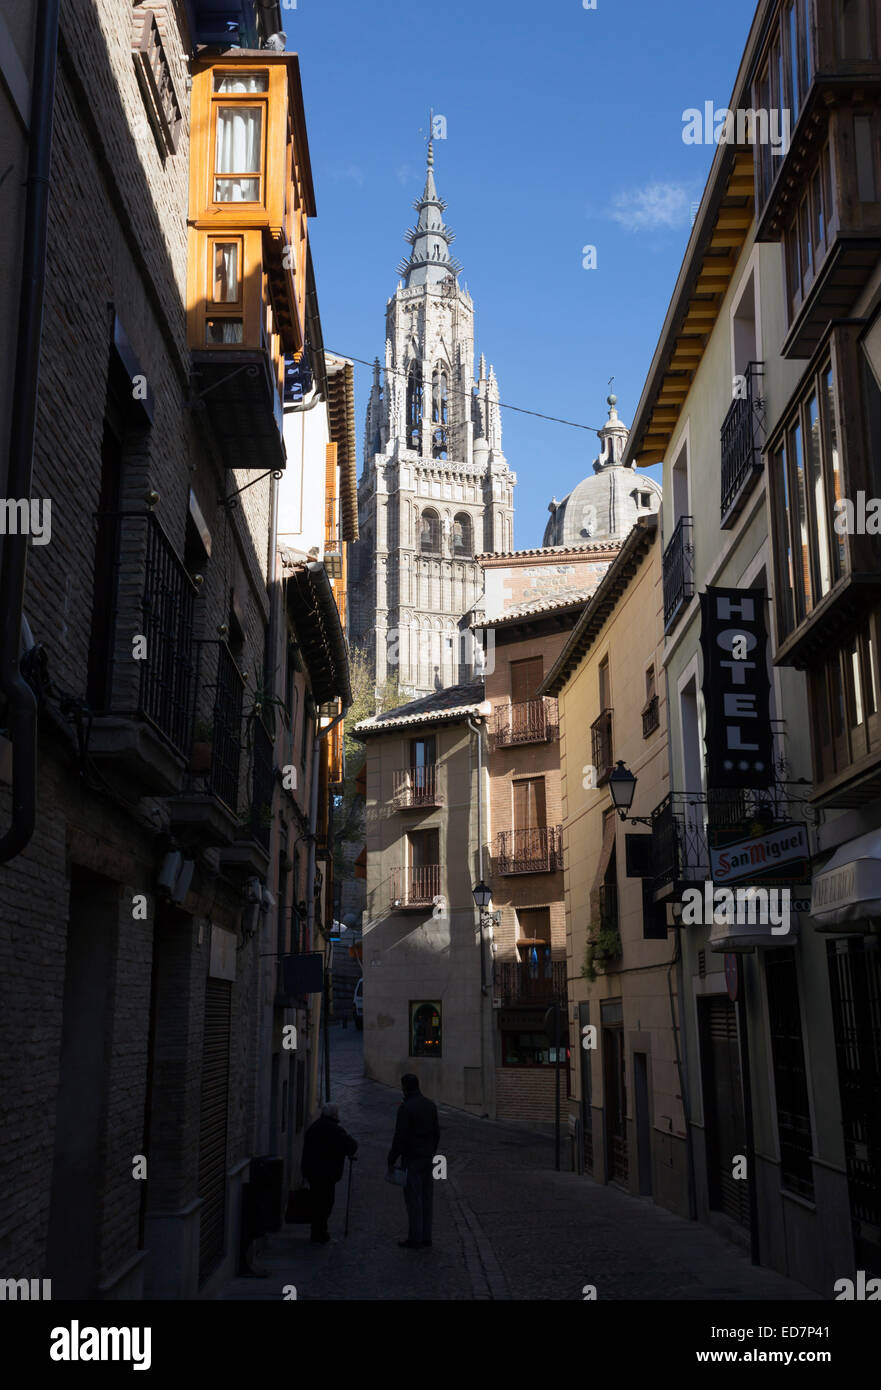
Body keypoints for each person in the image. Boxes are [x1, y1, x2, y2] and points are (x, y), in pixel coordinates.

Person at [387, 1073, 440, 1249]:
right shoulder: (430, 1105)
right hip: (428, 1157)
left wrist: (392, 1157)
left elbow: (400, 1136)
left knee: (413, 1199)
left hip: (412, 1158)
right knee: (427, 1197)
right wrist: (431, 1151)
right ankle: (426, 1236)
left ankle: (415, 1237)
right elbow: (436, 1133)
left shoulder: (406, 1108)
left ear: (405, 1087)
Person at [301, 1103, 358, 1244]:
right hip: (326, 1174)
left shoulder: (314, 1127)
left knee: (317, 1202)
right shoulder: (335, 1130)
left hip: (313, 1172)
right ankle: (320, 1233)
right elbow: (351, 1146)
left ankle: (316, 1232)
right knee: (326, 1203)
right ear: (334, 1115)